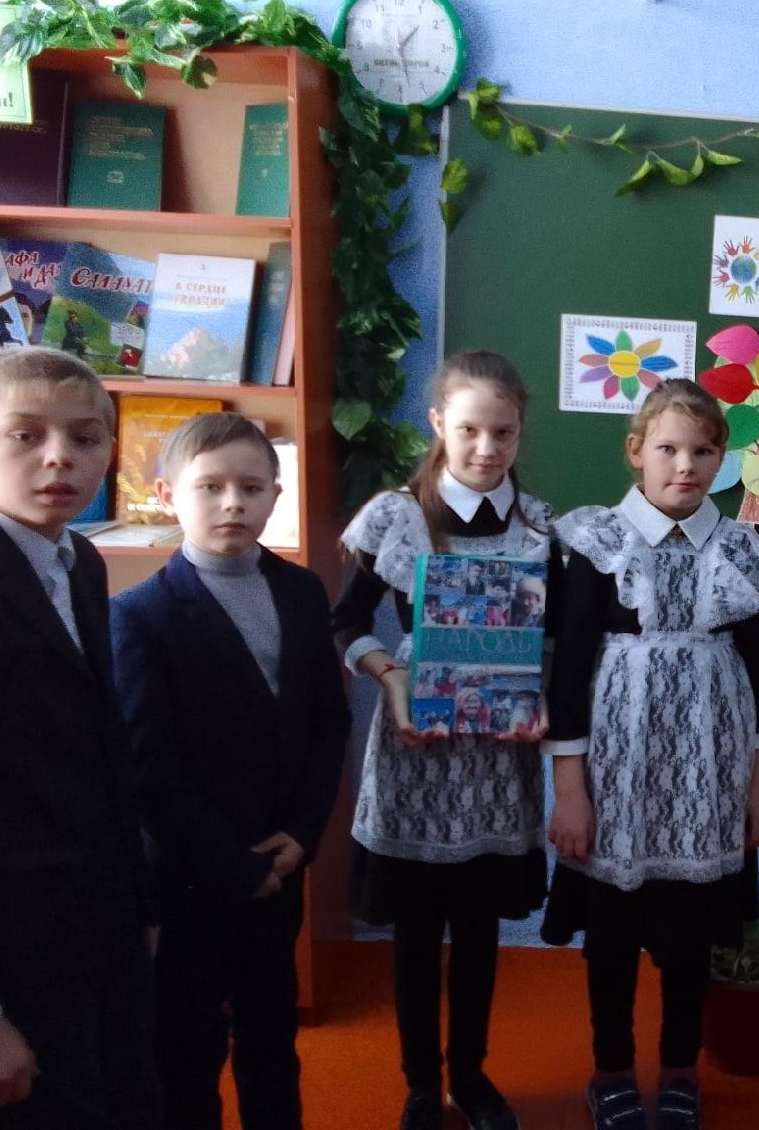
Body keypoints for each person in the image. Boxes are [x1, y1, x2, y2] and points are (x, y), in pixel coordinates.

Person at [542, 379, 759, 1130]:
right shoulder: (599, 542)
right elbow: (568, 674)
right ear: (636, 451)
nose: (686, 465)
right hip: (616, 774)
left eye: (704, 451)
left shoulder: (737, 550)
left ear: (721, 460)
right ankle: (611, 1070)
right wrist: (570, 792)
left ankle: (681, 1071)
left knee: (689, 936)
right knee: (612, 938)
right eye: (669, 448)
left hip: (707, 776)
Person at [331, 350, 558, 1130]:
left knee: (480, 927)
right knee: (419, 930)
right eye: (468, 430)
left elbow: (554, 638)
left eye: (504, 433)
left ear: (521, 430)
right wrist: (389, 676)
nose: (486, 449)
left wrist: (543, 696)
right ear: (437, 424)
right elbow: (346, 623)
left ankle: (471, 1074)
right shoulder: (395, 517)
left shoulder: (540, 527)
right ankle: (421, 1084)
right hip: (416, 746)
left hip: (499, 757)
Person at [109, 412, 351, 1130]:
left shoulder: (302, 591)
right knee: (187, 1046)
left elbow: (327, 722)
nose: (232, 504)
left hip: (281, 858)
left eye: (251, 487)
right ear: (167, 495)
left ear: (276, 494)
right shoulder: (141, 616)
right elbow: (149, 770)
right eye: (210, 487)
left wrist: (301, 833)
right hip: (194, 877)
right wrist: (237, 867)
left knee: (271, 1032)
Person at [0, 347, 162, 1127]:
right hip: (7, 942)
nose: (59, 458)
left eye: (85, 438)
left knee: (135, 1100)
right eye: (25, 435)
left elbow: (101, 747)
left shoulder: (79, 558)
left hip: (100, 916)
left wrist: (139, 902)